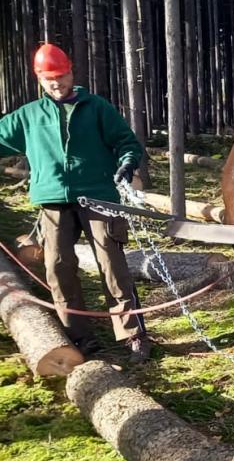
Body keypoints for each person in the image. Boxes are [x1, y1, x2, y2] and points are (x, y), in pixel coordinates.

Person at [0, 43, 152, 362]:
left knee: (112, 263)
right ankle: (80, 337)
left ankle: (132, 334)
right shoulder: (28, 116)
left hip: (98, 197)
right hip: (53, 202)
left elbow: (127, 142)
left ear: (71, 72)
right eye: (48, 78)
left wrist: (126, 163)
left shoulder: (96, 107)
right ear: (39, 79)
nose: (56, 83)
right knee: (58, 268)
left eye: (61, 76)